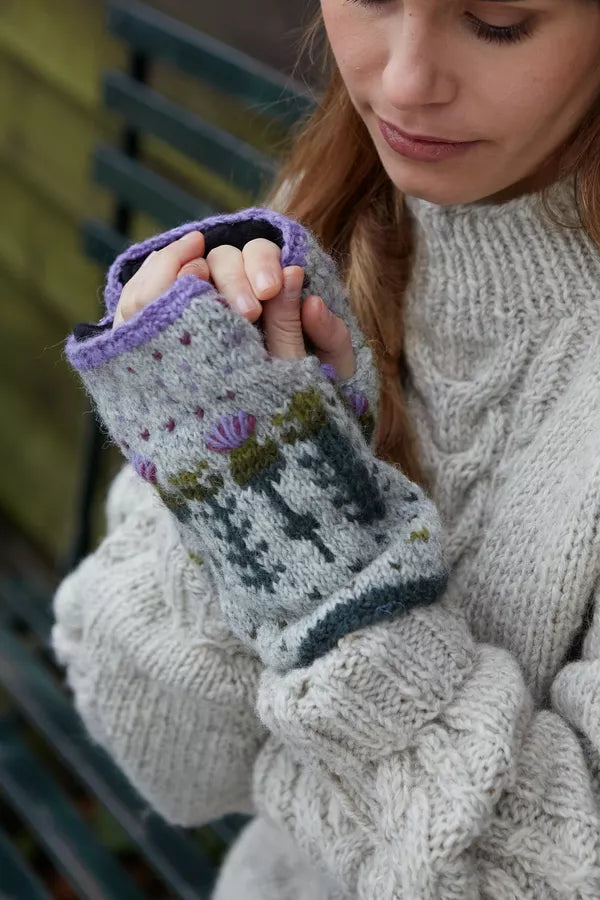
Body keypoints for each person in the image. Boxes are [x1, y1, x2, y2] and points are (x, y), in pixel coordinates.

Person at [52, 0, 600, 896]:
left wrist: (320, 570)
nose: (406, 84)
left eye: (498, 19)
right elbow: (169, 764)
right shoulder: (330, 212)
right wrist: (222, 483)